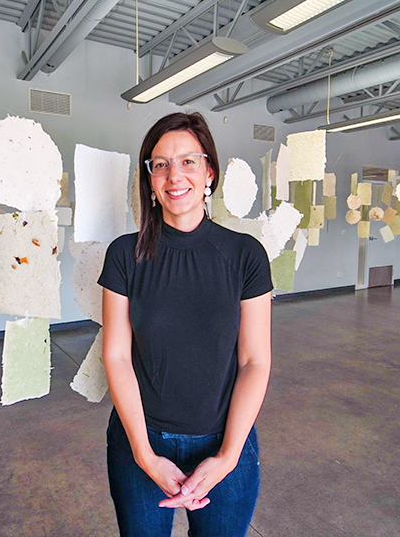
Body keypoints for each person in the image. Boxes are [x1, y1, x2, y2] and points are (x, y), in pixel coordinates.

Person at [99, 112, 273, 537]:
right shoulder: (125, 255)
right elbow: (117, 356)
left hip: (225, 441)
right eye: (160, 164)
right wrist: (144, 454)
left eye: (188, 161)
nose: (174, 175)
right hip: (142, 440)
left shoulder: (245, 255)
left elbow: (254, 362)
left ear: (210, 171)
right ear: (151, 179)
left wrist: (229, 456)